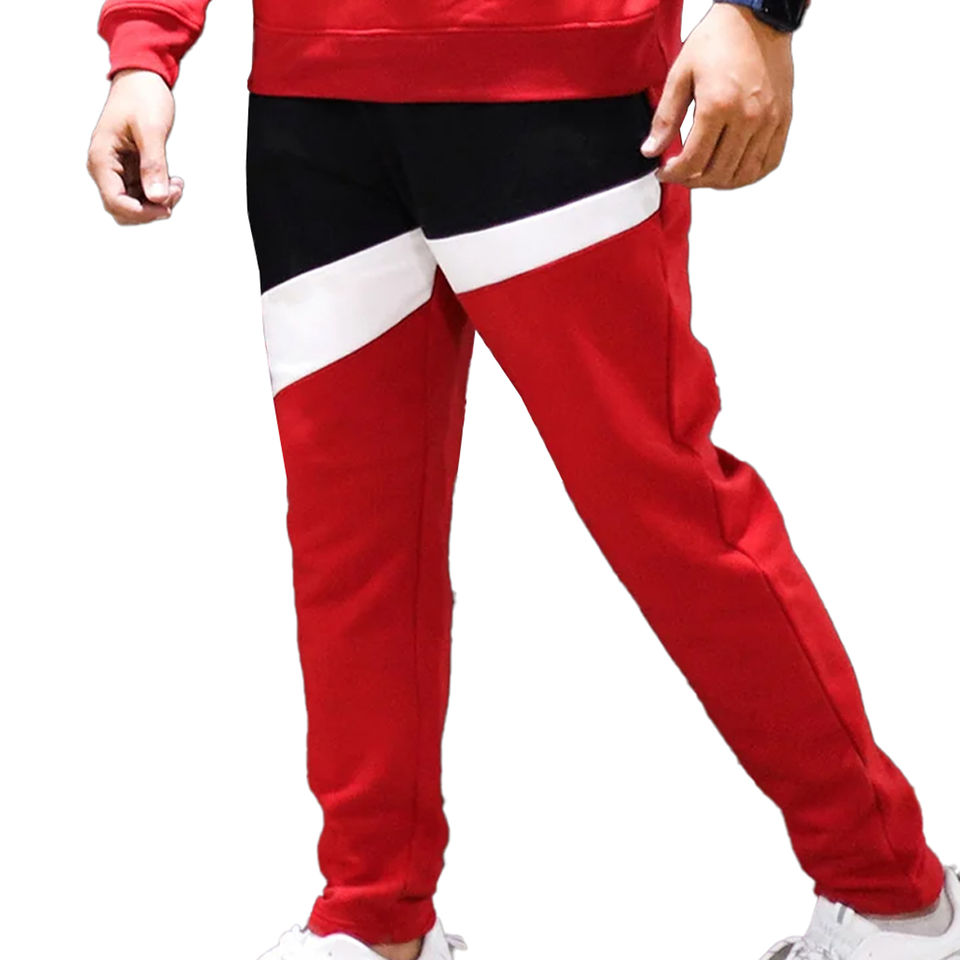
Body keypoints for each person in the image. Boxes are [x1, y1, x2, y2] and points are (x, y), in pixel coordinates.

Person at [86, 1, 959, 958]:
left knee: (671, 520)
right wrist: (144, 49)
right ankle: (374, 916)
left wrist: (762, 12)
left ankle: (895, 899)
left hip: (558, 86)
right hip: (316, 107)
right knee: (352, 547)